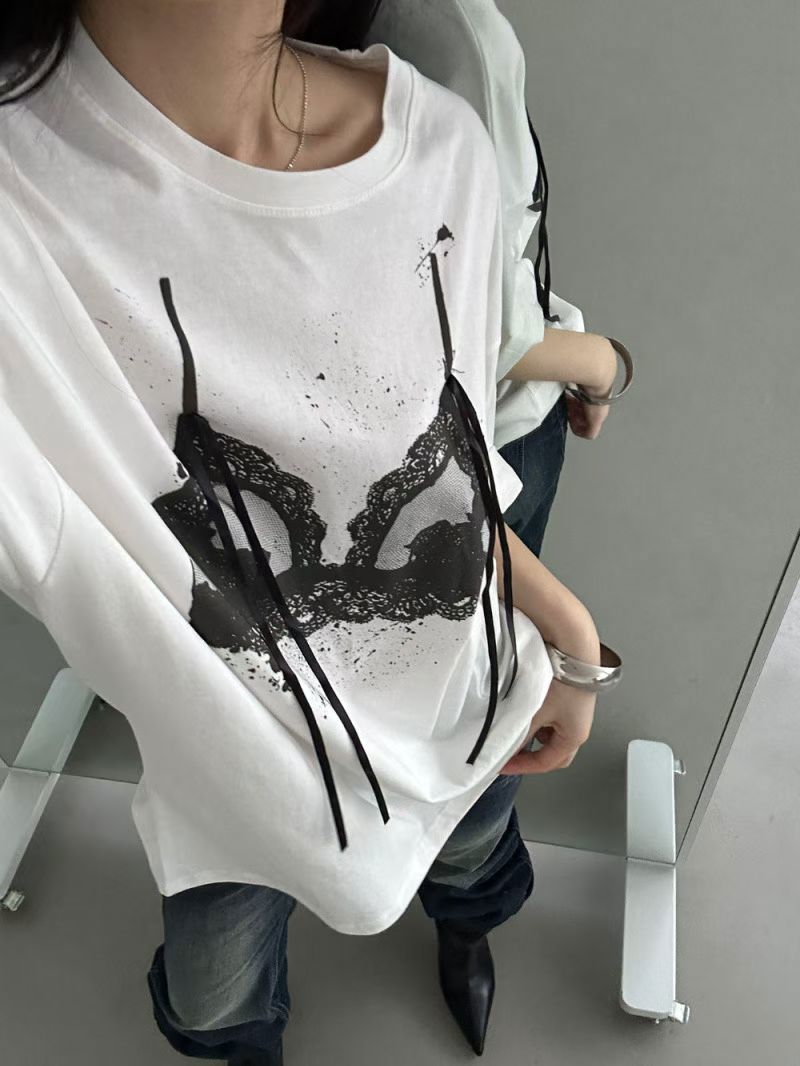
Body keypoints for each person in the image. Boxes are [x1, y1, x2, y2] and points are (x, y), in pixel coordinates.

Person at [0, 2, 612, 1062]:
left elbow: (436, 466)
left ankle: (466, 931)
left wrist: (560, 631)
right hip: (241, 784)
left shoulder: (438, 148)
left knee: (474, 862)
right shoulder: (22, 219)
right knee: (214, 1007)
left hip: (468, 697)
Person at [364, 0, 621, 558]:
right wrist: (601, 364)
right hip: (489, 431)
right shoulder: (465, 39)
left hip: (401, 440)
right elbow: (484, 326)